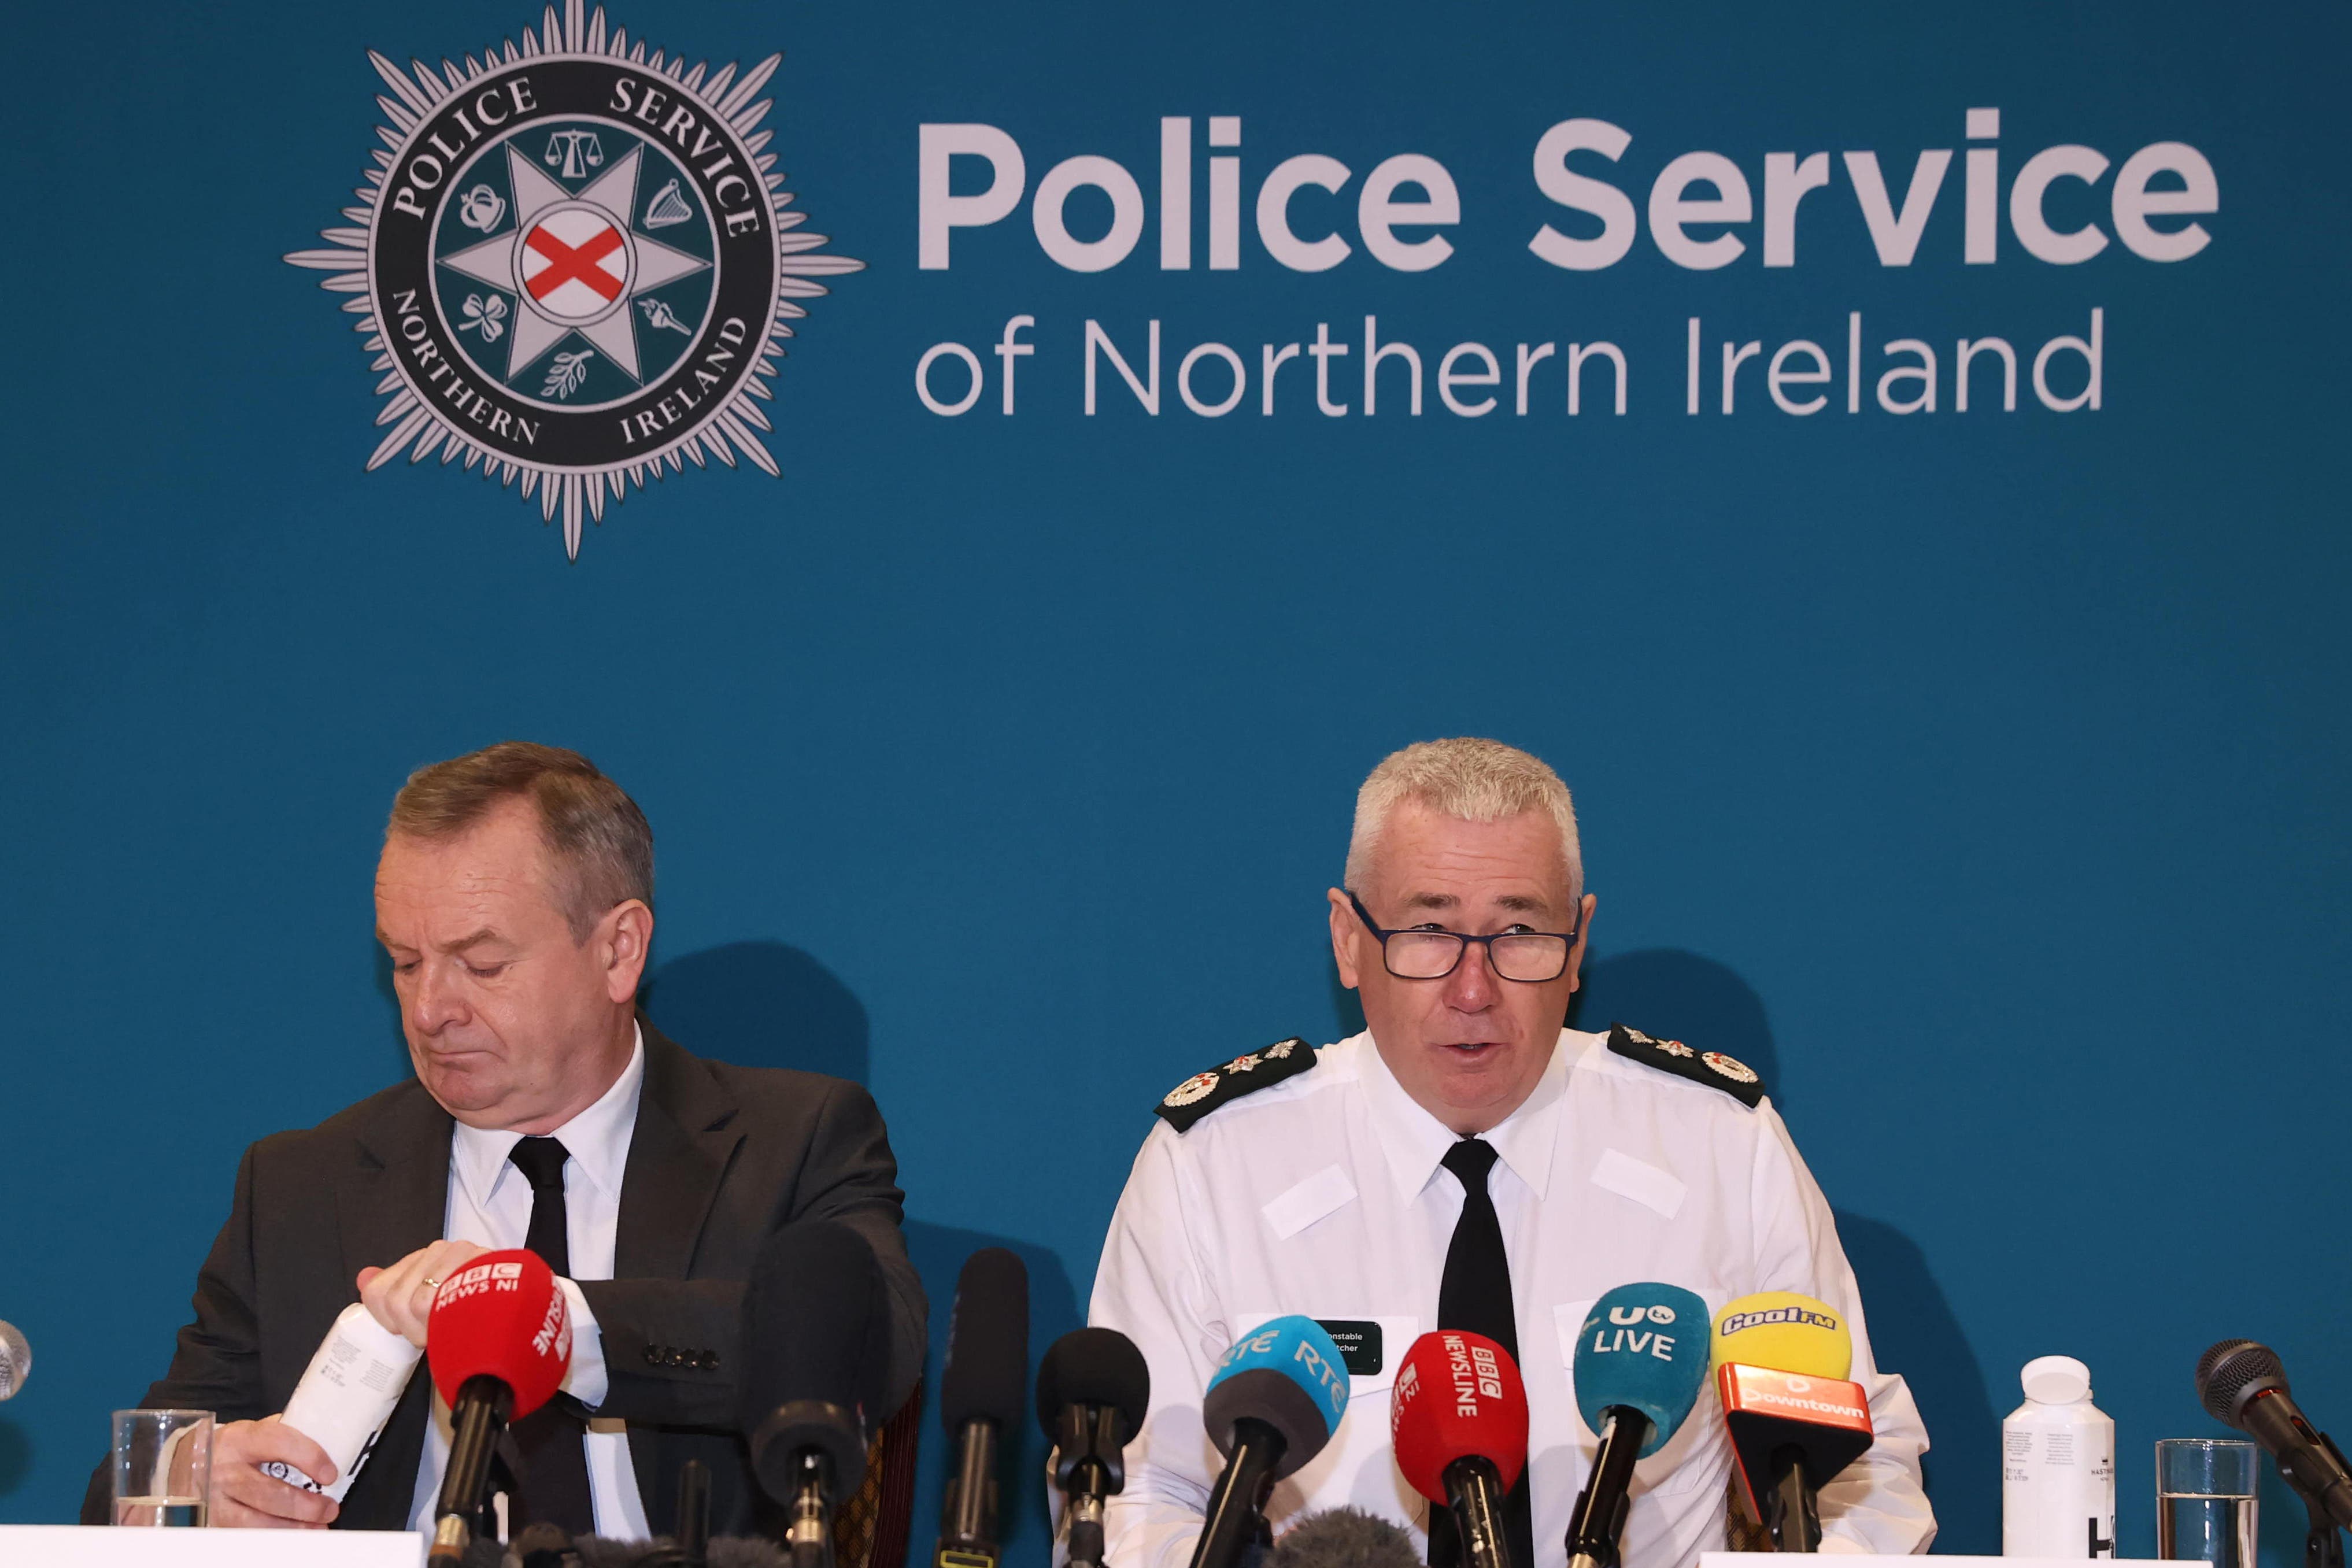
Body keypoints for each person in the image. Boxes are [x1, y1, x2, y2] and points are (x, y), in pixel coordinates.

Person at [1088, 738, 1934, 1568]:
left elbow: (1862, 1467)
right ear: (1349, 940)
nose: (1472, 990)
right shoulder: (1214, 1166)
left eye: (1519, 931)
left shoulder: (1720, 1148)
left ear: (1578, 944)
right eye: (1429, 929)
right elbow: (1134, 1495)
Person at [84, 742, 926, 1537]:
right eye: (405, 963)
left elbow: (870, 1345)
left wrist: (549, 1320)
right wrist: (189, 1479)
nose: (428, 1010)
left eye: (481, 965)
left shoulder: (794, 1140)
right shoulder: (301, 1184)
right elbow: (120, 1487)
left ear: (618, 952)